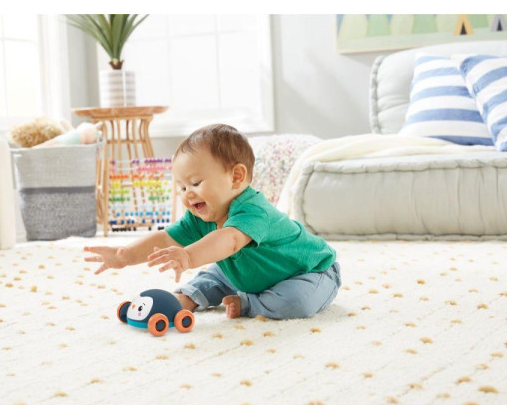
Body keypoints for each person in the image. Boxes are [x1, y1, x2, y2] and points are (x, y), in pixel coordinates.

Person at [84, 124, 341, 320]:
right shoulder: (200, 215)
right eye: (181, 187)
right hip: (244, 270)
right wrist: (127, 255)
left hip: (308, 272)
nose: (187, 194)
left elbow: (229, 241)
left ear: (236, 177)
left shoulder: (254, 210)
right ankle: (188, 297)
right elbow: (166, 238)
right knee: (215, 274)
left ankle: (250, 303)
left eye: (195, 183)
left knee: (296, 302)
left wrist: (188, 256)